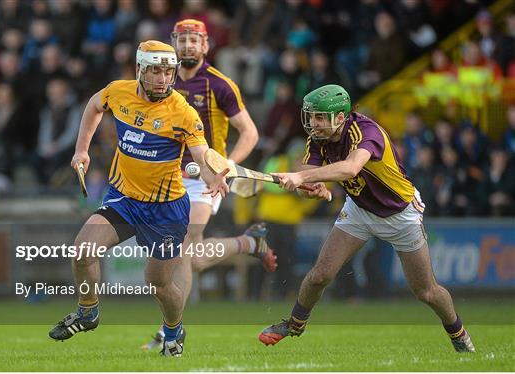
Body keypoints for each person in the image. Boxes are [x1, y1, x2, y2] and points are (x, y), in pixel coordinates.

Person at [258, 84, 475, 353]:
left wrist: (300, 177)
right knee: (320, 275)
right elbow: (311, 181)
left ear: (339, 117)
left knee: (426, 292)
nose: (312, 123)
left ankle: (459, 334)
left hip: (400, 213)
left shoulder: (367, 132)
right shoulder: (317, 139)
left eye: (319, 117)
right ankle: (294, 324)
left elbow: (349, 168)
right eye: (311, 116)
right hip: (360, 210)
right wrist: (312, 190)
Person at [48, 40, 229, 357]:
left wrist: (213, 173)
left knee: (157, 284)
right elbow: (93, 106)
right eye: (156, 71)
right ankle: (88, 312)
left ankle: (174, 331)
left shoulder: (183, 113)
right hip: (124, 199)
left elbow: (201, 154)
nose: (163, 78)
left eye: (168, 72)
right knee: (82, 252)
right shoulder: (118, 92)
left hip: (166, 210)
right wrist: (81, 149)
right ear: (139, 70)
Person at [141, 18, 277, 351]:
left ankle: (168, 331)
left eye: (194, 40)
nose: (188, 46)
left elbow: (251, 133)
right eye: (182, 39)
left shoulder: (219, 84)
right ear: (173, 42)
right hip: (168, 176)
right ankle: (248, 244)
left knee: (185, 242)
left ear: (205, 46)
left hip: (205, 177)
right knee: (188, 256)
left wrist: (227, 167)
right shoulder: (159, 82)